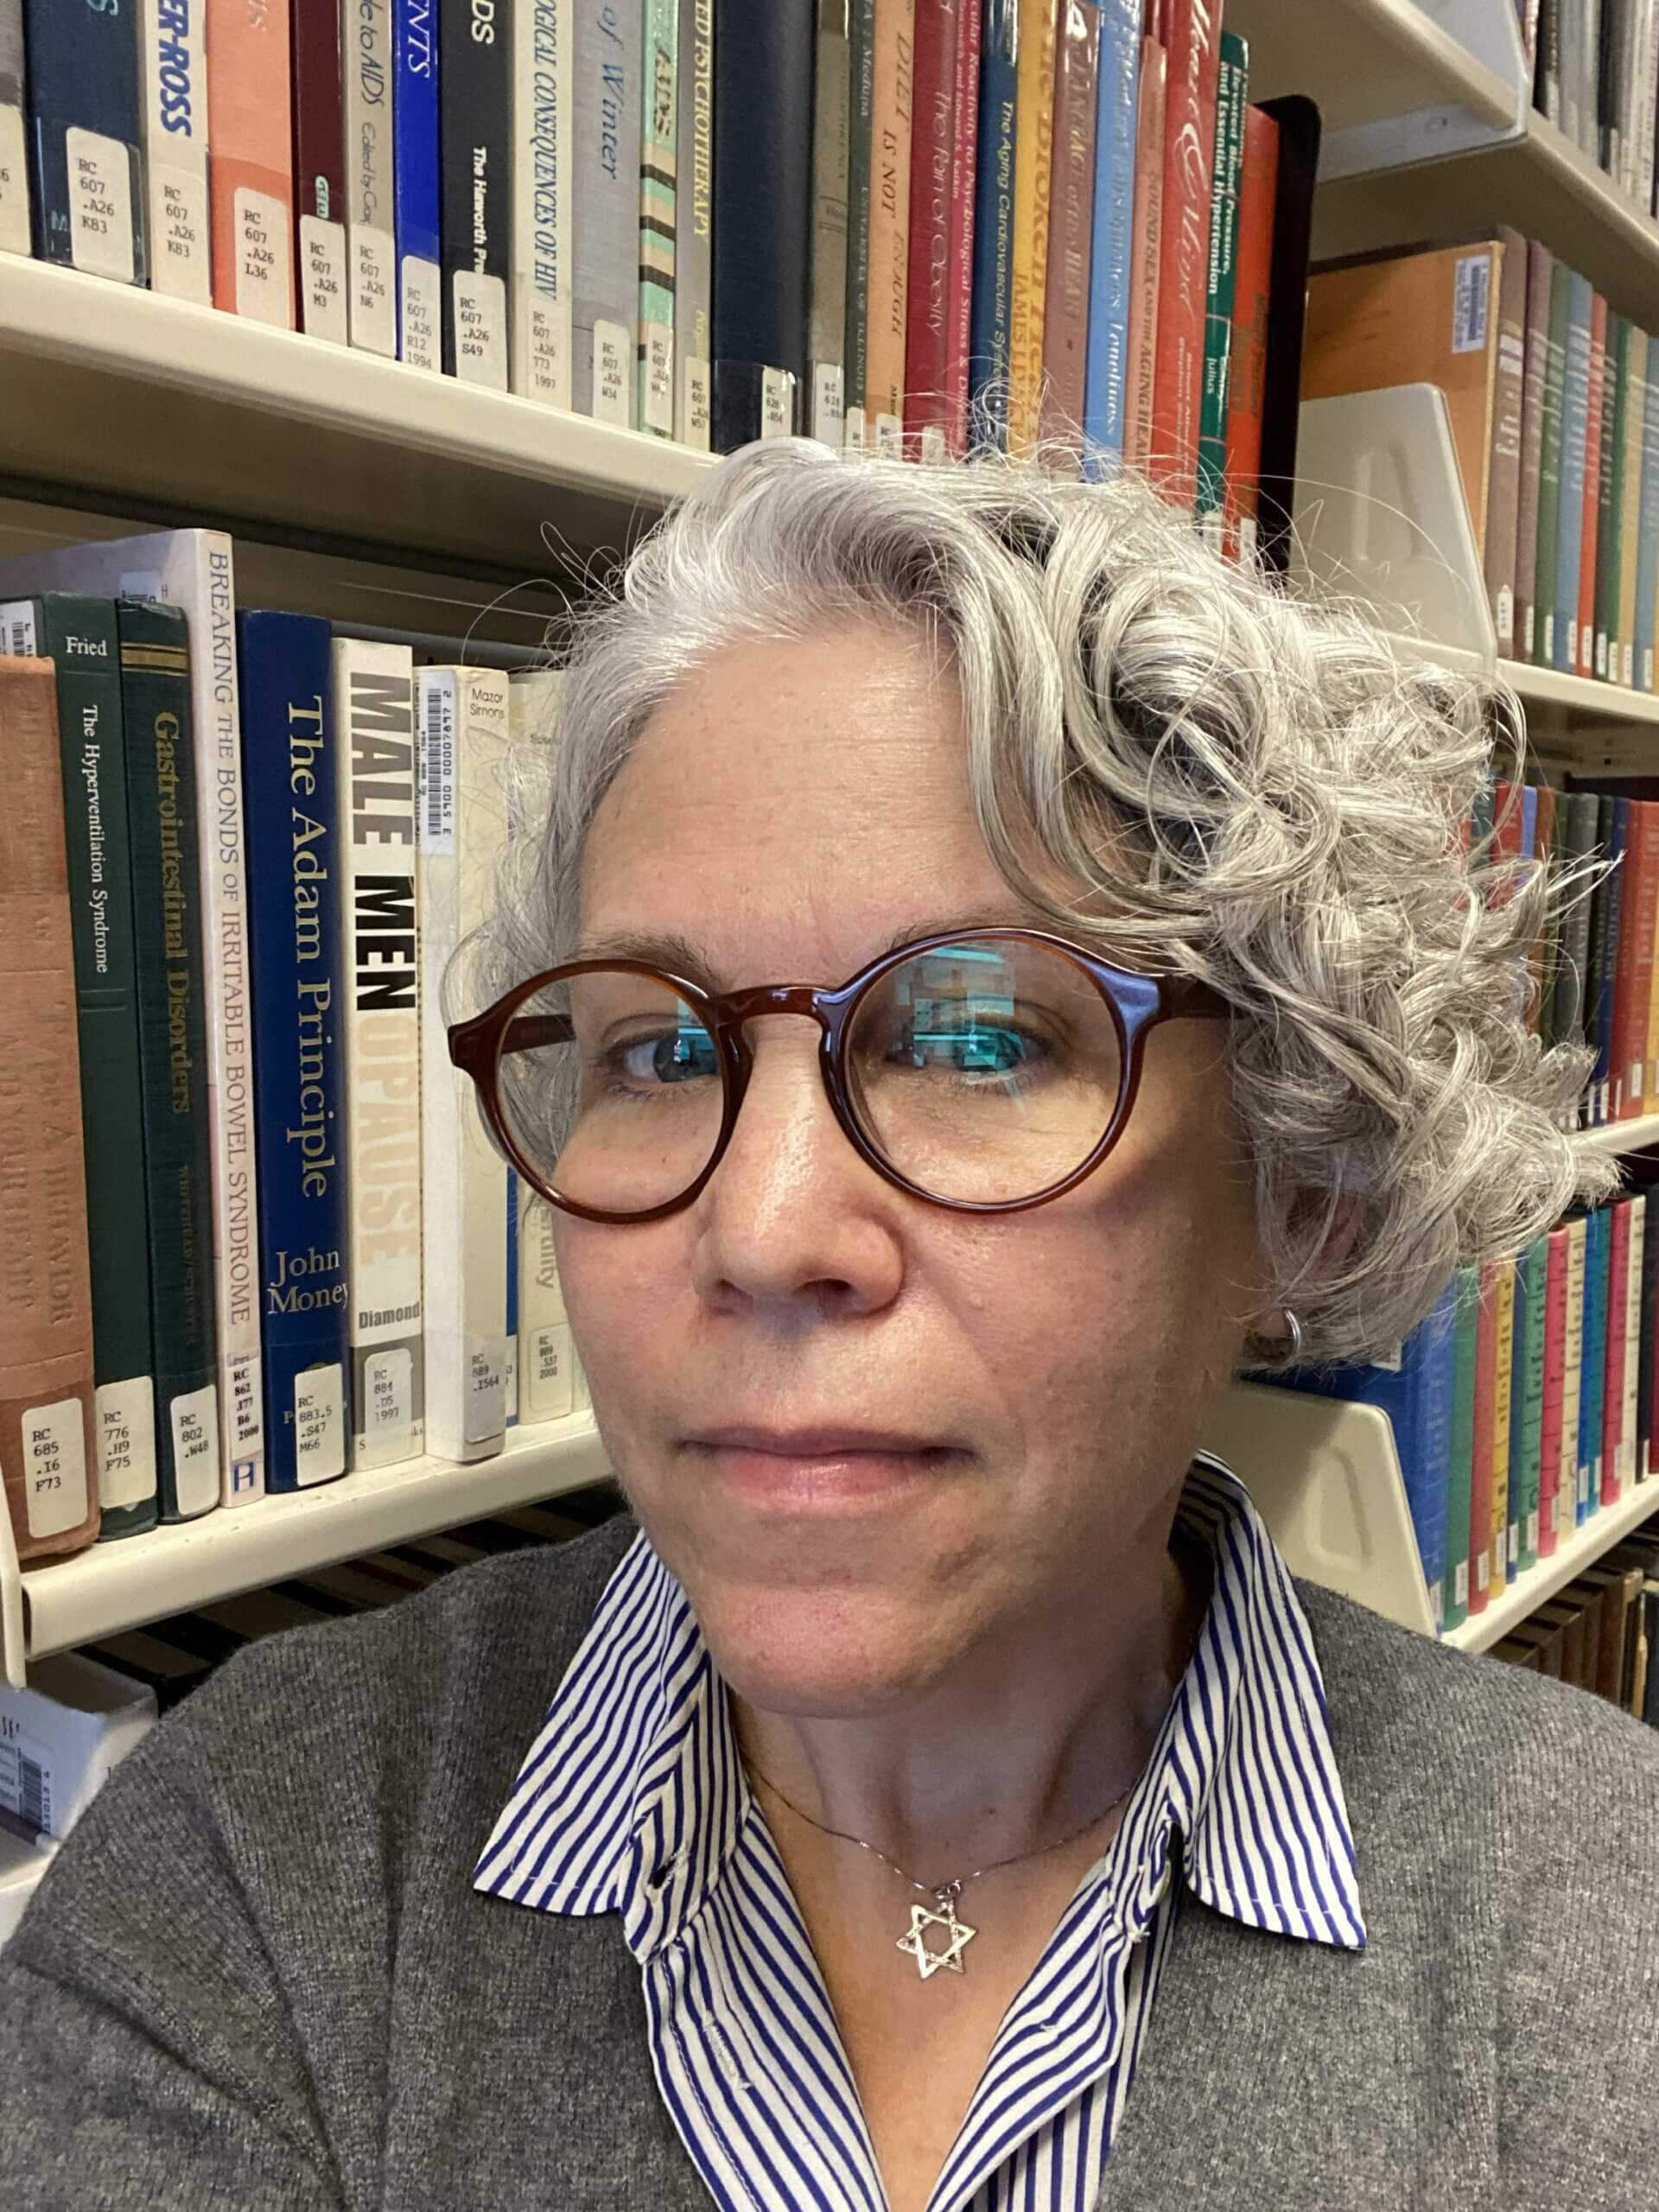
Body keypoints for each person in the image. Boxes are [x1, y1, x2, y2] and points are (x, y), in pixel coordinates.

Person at [3, 442, 1657, 2212]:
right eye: (657, 1046)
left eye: (976, 1038)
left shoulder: (1596, 1923)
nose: (765, 1226)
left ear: (1296, 1187)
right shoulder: (256, 1860)